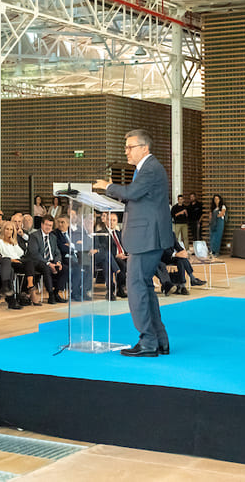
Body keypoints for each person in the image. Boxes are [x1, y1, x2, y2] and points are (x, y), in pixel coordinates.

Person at [95, 129, 174, 358]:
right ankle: (158, 339)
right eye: (126, 147)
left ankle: (148, 341)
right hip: (147, 237)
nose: (126, 151)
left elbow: (133, 193)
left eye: (130, 147)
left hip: (146, 238)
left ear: (144, 148)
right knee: (145, 288)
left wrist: (107, 187)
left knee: (137, 290)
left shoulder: (150, 167)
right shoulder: (148, 168)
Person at [0, 220, 41, 306]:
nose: (9, 231)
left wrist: (14, 242)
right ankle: (30, 289)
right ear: (3, 230)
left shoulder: (13, 241)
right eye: (7, 229)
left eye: (11, 230)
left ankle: (30, 286)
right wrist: (14, 260)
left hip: (18, 261)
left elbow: (21, 253)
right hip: (9, 263)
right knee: (28, 263)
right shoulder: (0, 242)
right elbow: (4, 255)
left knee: (30, 262)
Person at [25, 215, 65, 304]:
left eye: (50, 226)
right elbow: (34, 253)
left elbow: (57, 252)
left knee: (64, 269)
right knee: (46, 268)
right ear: (42, 225)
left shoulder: (53, 237)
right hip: (38, 262)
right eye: (46, 225)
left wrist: (58, 262)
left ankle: (56, 293)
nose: (48, 227)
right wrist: (48, 263)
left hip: (51, 261)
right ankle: (50, 295)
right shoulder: (34, 236)